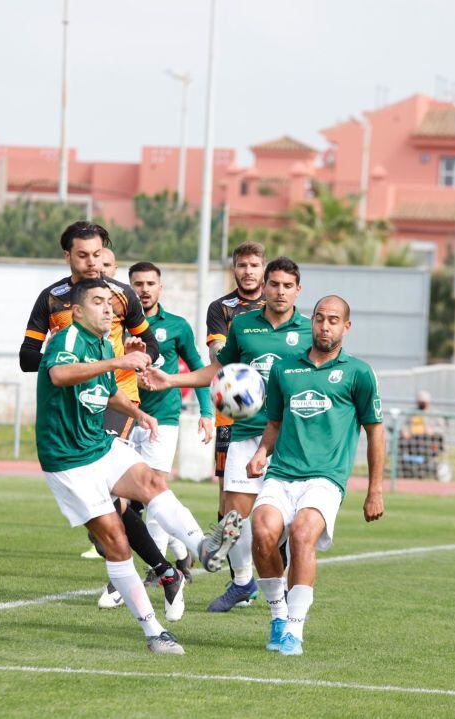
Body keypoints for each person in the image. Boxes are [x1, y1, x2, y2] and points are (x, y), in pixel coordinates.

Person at [35, 278, 241, 653]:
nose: (108, 307)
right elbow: (58, 375)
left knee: (152, 482)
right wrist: (119, 360)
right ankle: (153, 632)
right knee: (115, 540)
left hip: (97, 445)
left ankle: (204, 549)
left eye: (111, 303)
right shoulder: (67, 339)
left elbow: (103, 390)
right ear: (77, 311)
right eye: (98, 302)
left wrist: (136, 410)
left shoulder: (100, 341)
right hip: (67, 460)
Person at [18, 221, 185, 611]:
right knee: (112, 512)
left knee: (117, 499)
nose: (93, 263)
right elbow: (27, 358)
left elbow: (154, 350)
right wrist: (67, 362)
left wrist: (135, 350)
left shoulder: (123, 295)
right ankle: (163, 568)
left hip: (114, 400)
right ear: (68, 257)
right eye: (83, 255)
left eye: (98, 254)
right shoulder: (52, 299)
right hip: (69, 408)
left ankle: (157, 565)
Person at [145, 257, 311, 612]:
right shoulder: (244, 325)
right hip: (245, 431)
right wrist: (173, 379)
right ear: (264, 287)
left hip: (290, 438)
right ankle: (244, 582)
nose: (279, 291)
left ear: (298, 290)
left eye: (287, 286)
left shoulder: (311, 331)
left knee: (290, 525)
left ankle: (284, 594)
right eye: (274, 284)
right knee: (233, 517)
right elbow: (220, 370)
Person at [247, 295, 384, 656]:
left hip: (325, 478)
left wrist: (375, 490)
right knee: (261, 533)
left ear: (346, 326)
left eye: (334, 320)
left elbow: (375, 431)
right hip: (282, 473)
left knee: (303, 534)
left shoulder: (358, 373)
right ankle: (278, 614)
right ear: (312, 322)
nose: (325, 326)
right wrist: (262, 451)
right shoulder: (284, 369)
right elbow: (274, 423)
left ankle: (294, 629)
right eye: (320, 318)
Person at [127, 261, 214, 587]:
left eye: (150, 283)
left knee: (151, 493)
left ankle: (158, 567)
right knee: (132, 495)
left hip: (162, 420)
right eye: (138, 283)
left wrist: (207, 413)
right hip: (124, 417)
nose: (144, 289)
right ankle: (182, 552)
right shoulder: (118, 325)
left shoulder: (176, 326)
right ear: (130, 287)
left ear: (160, 288)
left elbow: (199, 368)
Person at [205, 242, 267, 603]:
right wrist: (232, 364)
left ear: (264, 269)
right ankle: (241, 579)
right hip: (231, 415)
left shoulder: (279, 308)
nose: (248, 271)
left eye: (254, 264)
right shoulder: (222, 309)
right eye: (242, 264)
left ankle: (275, 568)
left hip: (271, 417)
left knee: (273, 496)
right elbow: (217, 353)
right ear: (234, 269)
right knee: (228, 499)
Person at [398, 389, 450, 481]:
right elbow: (404, 425)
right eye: (420, 402)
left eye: (423, 402)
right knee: (401, 443)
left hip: (427, 442)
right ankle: (405, 469)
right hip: (412, 442)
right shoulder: (412, 412)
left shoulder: (435, 414)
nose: (421, 404)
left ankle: (426, 468)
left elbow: (442, 429)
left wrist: (432, 431)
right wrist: (405, 430)